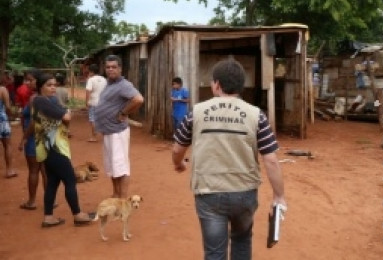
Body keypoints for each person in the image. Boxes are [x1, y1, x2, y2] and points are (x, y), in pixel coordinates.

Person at [172, 58, 286, 260]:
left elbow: (177, 148)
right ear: (241, 86)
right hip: (244, 193)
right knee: (242, 241)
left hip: (209, 191)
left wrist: (179, 163)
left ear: (216, 84)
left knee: (215, 252)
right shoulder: (256, 115)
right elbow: (271, 160)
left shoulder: (196, 113)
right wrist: (279, 197)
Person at [25, 73, 94, 227]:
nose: (53, 88)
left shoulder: (44, 101)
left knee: (52, 183)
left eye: (55, 85)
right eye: (49, 85)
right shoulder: (41, 101)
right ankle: (77, 214)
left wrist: (66, 113)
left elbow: (64, 117)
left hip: (48, 148)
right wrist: (67, 112)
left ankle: (48, 217)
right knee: (69, 180)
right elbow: (67, 117)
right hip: (54, 148)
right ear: (40, 86)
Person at [95, 55, 144, 198]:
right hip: (108, 131)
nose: (110, 69)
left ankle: (122, 200)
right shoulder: (109, 84)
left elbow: (138, 99)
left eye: (114, 67)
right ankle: (116, 194)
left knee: (121, 167)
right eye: (108, 67)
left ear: (120, 68)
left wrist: (123, 112)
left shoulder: (124, 84)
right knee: (112, 167)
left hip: (117, 132)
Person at [18, 70, 47, 210]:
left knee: (33, 170)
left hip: (33, 138)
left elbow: (33, 122)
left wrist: (24, 138)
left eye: (30, 80)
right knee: (45, 170)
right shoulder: (46, 97)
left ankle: (31, 201)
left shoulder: (34, 99)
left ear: (37, 81)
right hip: (45, 137)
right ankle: (50, 200)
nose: (27, 83)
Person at [85, 64, 107, 142]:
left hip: (93, 102)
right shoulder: (104, 79)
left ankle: (94, 136)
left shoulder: (91, 80)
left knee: (93, 119)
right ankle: (105, 135)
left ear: (91, 71)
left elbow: (88, 91)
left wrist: (86, 102)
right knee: (102, 118)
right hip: (103, 102)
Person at [0, 84, 17, 178]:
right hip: (2, 120)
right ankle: (9, 170)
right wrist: (11, 116)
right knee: (7, 145)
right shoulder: (2, 89)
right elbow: (8, 107)